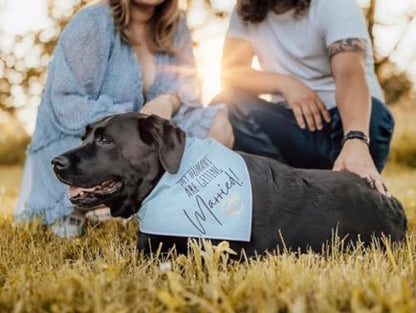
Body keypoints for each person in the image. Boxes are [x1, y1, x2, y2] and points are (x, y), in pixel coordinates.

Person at [15, 0, 233, 236]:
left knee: (217, 127)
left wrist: (169, 100)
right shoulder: (92, 23)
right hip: (80, 139)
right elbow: (65, 102)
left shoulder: (175, 24)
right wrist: (130, 118)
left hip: (139, 140)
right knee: (108, 146)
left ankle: (166, 208)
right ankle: (78, 209)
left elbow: (189, 85)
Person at [220, 0, 394, 196]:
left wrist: (356, 138)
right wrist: (286, 84)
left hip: (347, 124)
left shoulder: (334, 4)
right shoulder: (246, 9)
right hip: (291, 127)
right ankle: (282, 188)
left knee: (375, 114)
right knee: (228, 102)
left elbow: (349, 75)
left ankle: (348, 181)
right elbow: (231, 71)